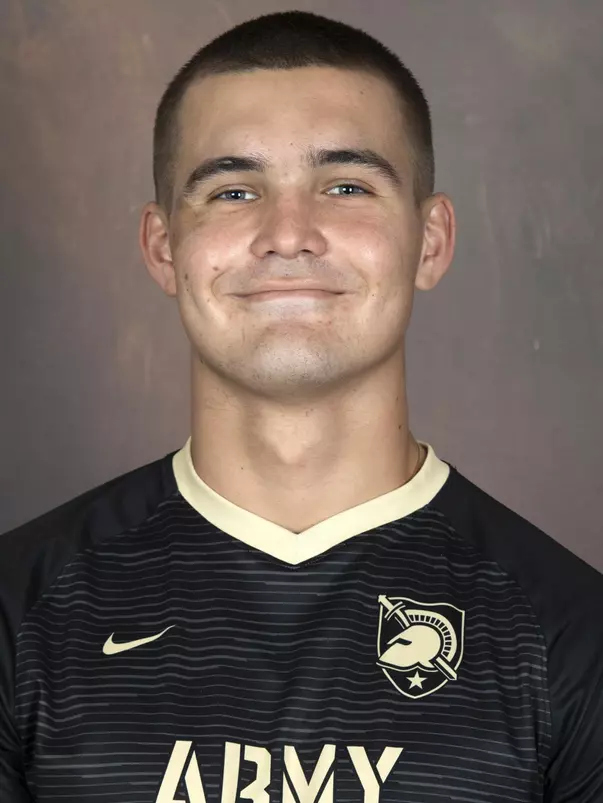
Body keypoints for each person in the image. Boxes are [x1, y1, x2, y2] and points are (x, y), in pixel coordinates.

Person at [1, 9, 602, 802]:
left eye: (345, 185)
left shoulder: (566, 630)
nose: (288, 233)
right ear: (163, 247)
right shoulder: (22, 608)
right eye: (233, 188)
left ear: (428, 241)